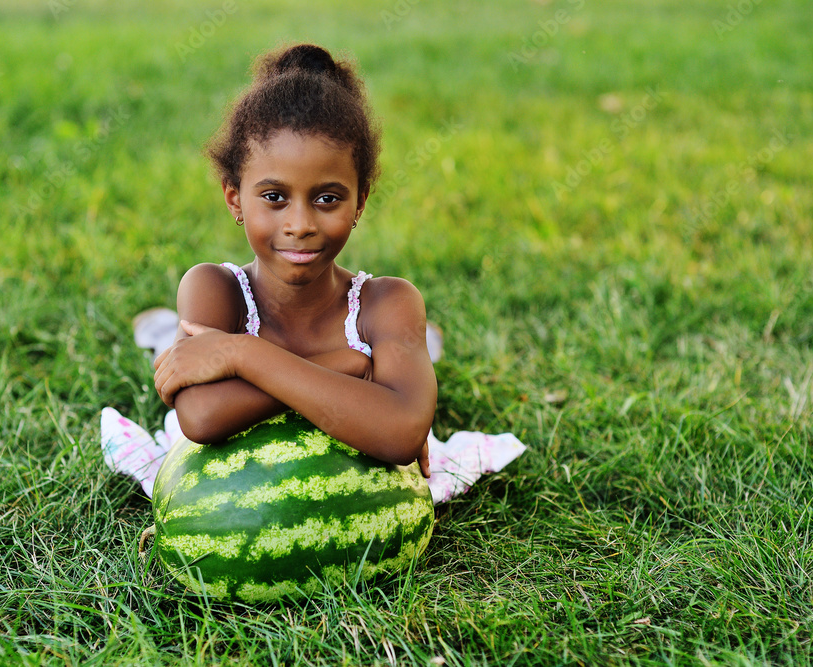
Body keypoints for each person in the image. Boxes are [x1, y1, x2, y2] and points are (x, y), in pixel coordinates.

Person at [101, 44, 524, 504]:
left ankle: (424, 346)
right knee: (176, 349)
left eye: (327, 199)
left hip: (372, 333)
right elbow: (201, 417)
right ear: (234, 199)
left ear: (360, 200)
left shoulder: (388, 303)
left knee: (406, 343)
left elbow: (402, 432)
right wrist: (350, 366)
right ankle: (166, 331)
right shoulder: (214, 288)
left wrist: (239, 355)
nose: (299, 224)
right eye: (274, 197)